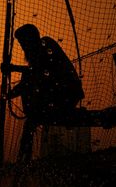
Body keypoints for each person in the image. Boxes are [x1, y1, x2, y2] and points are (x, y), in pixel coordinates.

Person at [5, 24, 84, 161]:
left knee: (28, 79)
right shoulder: (34, 59)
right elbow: (27, 81)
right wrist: (7, 96)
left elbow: (41, 71)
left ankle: (24, 158)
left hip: (67, 94)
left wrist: (13, 68)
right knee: (30, 120)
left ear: (31, 38)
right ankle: (24, 158)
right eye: (20, 43)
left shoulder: (46, 44)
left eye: (23, 42)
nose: (23, 46)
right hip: (56, 96)